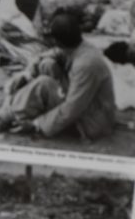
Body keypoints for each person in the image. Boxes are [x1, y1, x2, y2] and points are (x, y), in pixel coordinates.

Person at [14, 11, 116, 140]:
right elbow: (50, 54)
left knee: (42, 84)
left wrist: (37, 124)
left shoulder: (87, 63)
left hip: (93, 122)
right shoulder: (78, 47)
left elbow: (72, 108)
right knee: (46, 65)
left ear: (57, 41)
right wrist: (28, 75)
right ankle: (16, 114)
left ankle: (15, 117)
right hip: (86, 105)